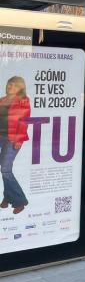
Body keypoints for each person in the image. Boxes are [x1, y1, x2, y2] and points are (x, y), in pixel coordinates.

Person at [0, 77, 30, 215]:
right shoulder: (2, 100)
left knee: (5, 169)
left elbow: (23, 121)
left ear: (20, 88)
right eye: (9, 84)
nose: (10, 86)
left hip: (12, 138)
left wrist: (18, 139)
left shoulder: (23, 101)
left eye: (13, 85)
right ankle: (8, 196)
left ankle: (20, 200)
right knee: (4, 168)